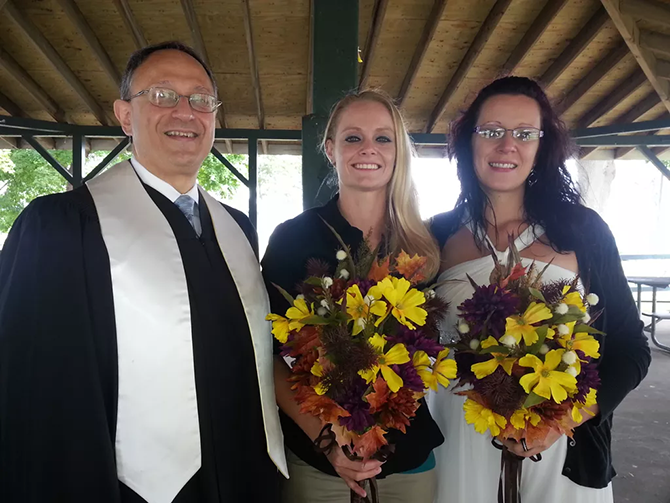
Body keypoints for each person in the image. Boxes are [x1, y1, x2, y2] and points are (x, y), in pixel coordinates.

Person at [0, 41, 287, 503]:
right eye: (161, 96)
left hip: (245, 474)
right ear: (125, 115)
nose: (185, 112)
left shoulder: (238, 228)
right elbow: (41, 393)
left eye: (200, 99)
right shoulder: (60, 226)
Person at [428, 76, 651, 503]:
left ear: (542, 146)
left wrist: (561, 420)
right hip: (460, 447)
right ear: (468, 141)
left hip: (562, 449)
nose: (507, 145)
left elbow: (631, 349)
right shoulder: (434, 235)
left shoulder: (584, 231)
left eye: (524, 133)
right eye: (492, 131)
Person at [261, 89, 444, 503]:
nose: (368, 149)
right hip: (320, 461)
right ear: (330, 149)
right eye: (352, 137)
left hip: (409, 461)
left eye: (383, 138)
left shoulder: (424, 245)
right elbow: (266, 354)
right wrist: (328, 441)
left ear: (399, 151)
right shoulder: (294, 238)